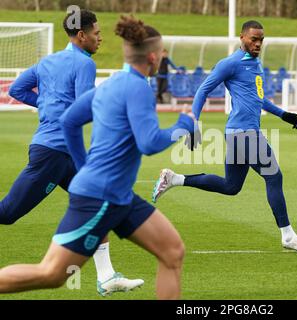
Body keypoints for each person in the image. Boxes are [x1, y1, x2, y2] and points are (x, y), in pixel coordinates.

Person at [0, 15, 195, 299]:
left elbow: (69, 121)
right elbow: (150, 143)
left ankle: (107, 277)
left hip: (119, 195)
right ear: (153, 57)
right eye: (162, 53)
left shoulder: (112, 83)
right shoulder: (138, 87)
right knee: (52, 273)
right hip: (101, 194)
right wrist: (182, 126)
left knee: (172, 251)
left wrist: (82, 165)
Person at [4, 9, 143, 295]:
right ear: (82, 35)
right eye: (97, 33)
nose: (100, 38)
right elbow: (83, 107)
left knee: (100, 202)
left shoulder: (48, 61)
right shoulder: (84, 63)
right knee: (7, 213)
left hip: (61, 152)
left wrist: (45, 104)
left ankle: (106, 277)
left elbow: (17, 89)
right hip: (54, 154)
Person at [152, 20, 297, 253]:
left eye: (261, 40)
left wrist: (283, 114)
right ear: (242, 38)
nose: (258, 44)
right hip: (244, 133)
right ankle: (288, 236)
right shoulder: (230, 63)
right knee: (274, 176)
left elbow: (258, 98)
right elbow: (203, 90)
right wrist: (193, 121)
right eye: (253, 39)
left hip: (239, 134)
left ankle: (175, 179)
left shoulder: (255, 64)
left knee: (231, 186)